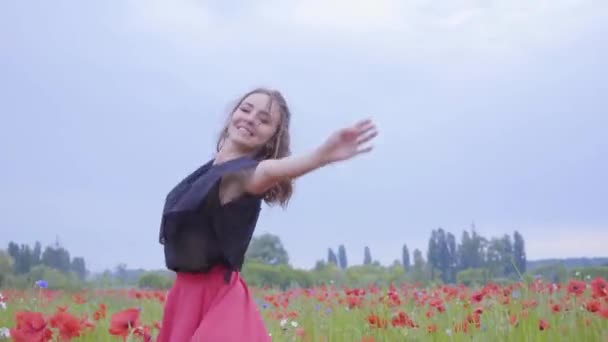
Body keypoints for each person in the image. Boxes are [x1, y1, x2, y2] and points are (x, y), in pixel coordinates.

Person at [156, 87, 378, 341]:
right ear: (232, 115)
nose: (251, 119)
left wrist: (321, 156)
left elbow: (272, 171)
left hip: (217, 300)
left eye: (264, 120)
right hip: (184, 298)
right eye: (246, 109)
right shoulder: (205, 172)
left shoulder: (245, 175)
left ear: (272, 138)